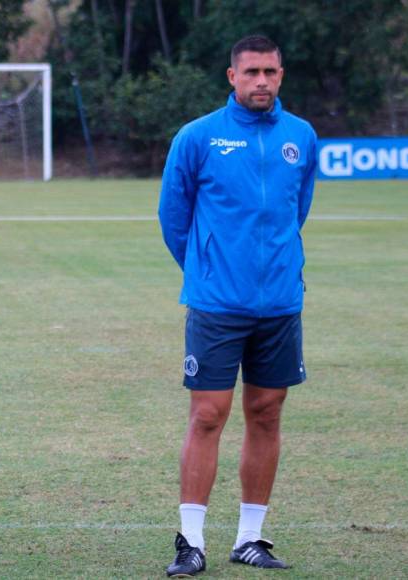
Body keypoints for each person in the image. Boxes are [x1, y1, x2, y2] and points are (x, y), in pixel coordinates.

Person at [158, 35, 317, 576]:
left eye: (270, 72)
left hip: (279, 303)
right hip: (217, 303)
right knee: (208, 415)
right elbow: (173, 218)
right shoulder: (198, 137)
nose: (261, 82)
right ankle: (192, 540)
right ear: (232, 76)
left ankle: (250, 537)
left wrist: (272, 268)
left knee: (266, 414)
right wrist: (208, 270)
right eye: (251, 72)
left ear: (282, 74)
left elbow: (298, 211)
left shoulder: (301, 136)